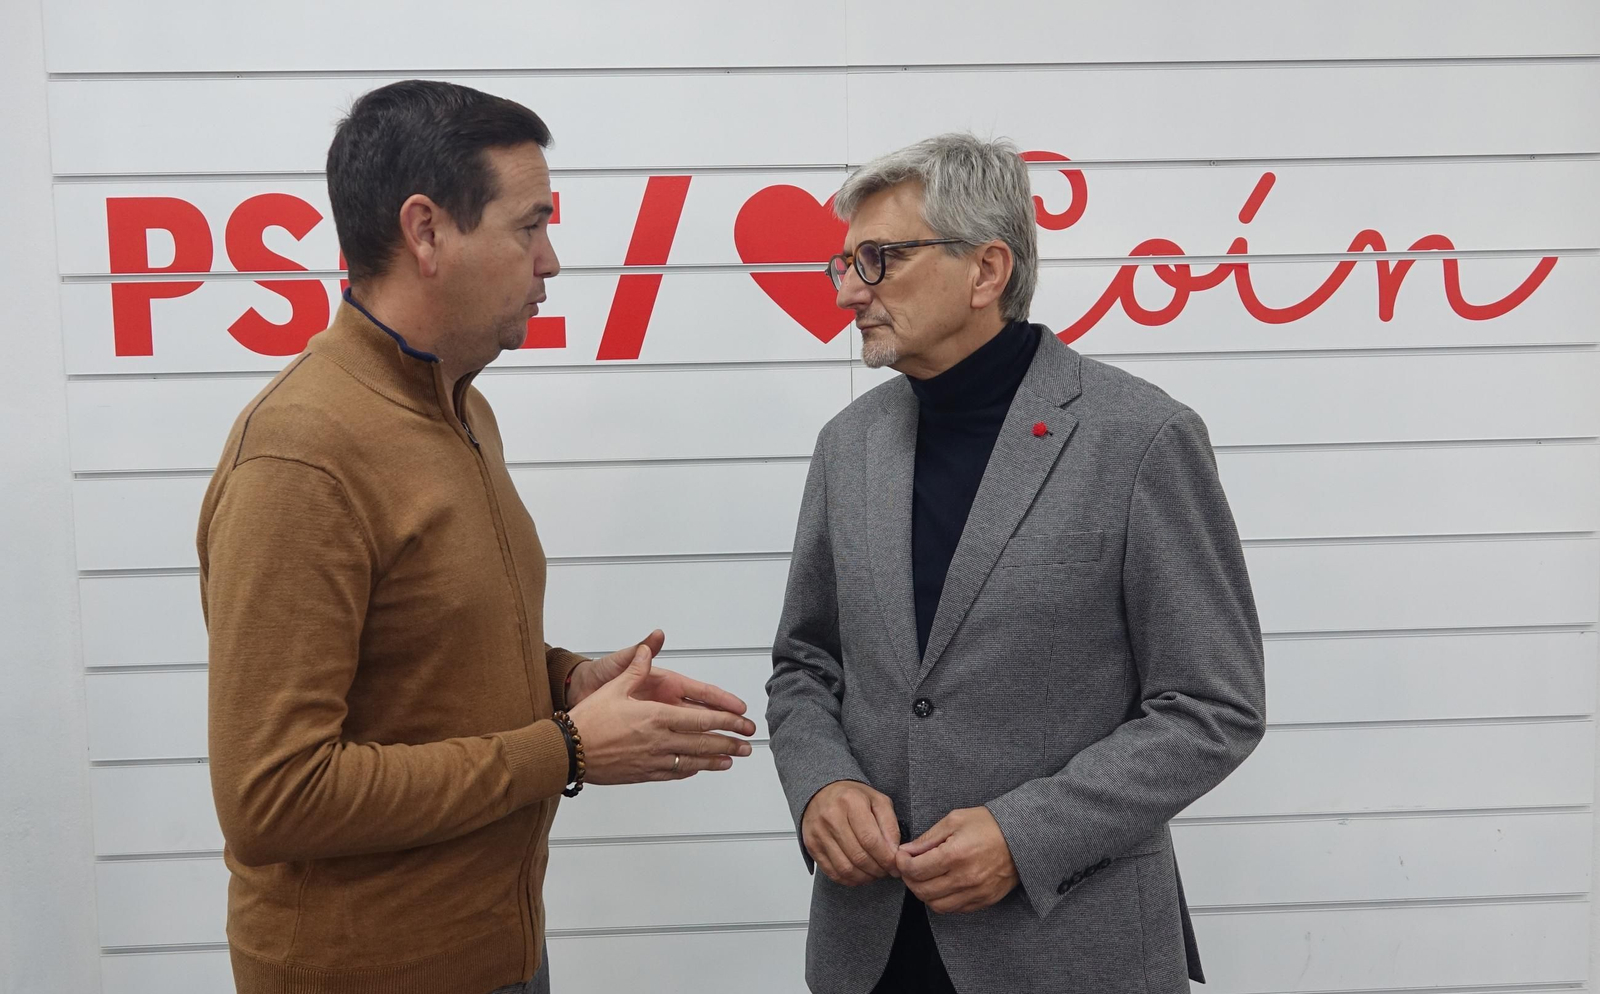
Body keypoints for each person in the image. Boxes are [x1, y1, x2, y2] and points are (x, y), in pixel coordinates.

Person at [197, 79, 756, 994]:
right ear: (426, 232)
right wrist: (568, 749)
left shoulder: (459, 406)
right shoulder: (303, 454)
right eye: (529, 226)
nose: (552, 261)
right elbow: (273, 796)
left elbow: (417, 657)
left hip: (494, 952)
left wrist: (566, 679)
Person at [766, 133, 1267, 994]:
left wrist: (1024, 835)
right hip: (871, 949)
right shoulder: (846, 446)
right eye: (845, 263)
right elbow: (806, 663)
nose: (850, 291)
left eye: (878, 259)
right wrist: (823, 784)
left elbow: (1213, 705)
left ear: (986, 270)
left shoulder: (1140, 438)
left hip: (1069, 949)